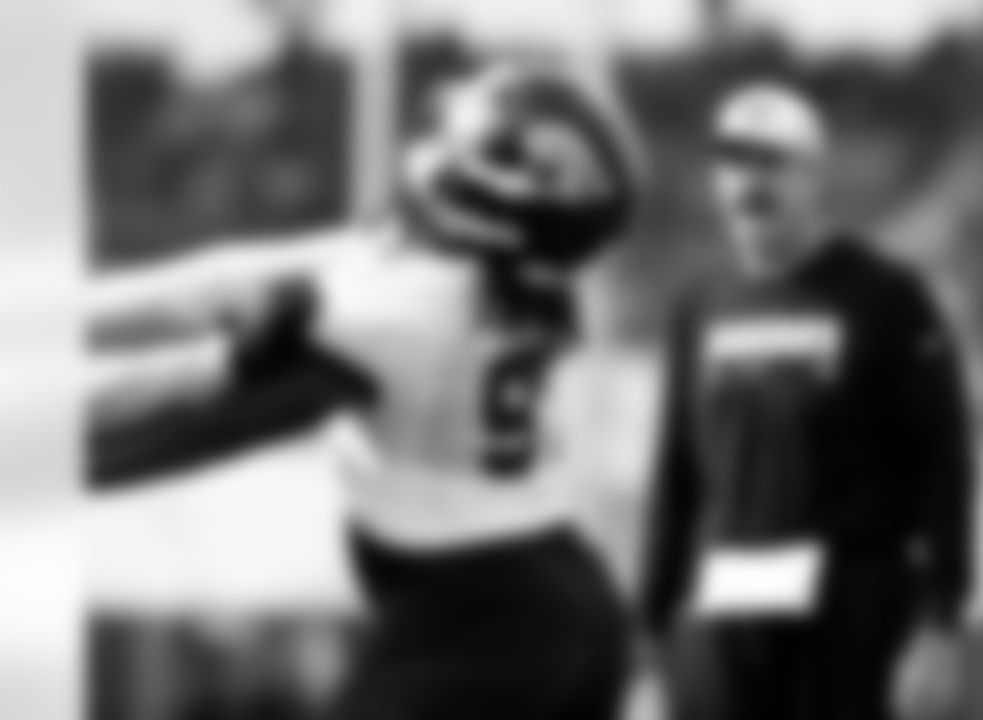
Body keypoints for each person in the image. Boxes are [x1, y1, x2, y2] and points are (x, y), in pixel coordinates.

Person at [89, 62, 641, 720]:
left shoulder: (397, 311)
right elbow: (221, 281)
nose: (432, 151)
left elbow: (185, 387)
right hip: (564, 596)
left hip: (484, 621)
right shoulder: (489, 275)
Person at [638, 82, 978, 720]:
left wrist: (940, 622)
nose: (751, 182)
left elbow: (944, 465)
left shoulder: (888, 298)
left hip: (852, 619)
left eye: (773, 162)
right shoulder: (699, 305)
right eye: (734, 161)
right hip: (725, 619)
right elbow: (674, 477)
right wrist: (650, 631)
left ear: (815, 177)